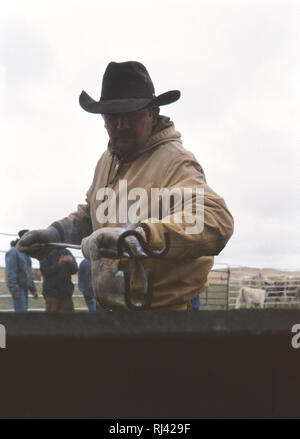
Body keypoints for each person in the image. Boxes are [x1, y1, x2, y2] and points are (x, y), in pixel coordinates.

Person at [17, 61, 234, 310]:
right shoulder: (107, 161)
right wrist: (56, 234)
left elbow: (215, 220)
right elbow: (94, 213)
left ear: (153, 113)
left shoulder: (174, 162)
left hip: (166, 313)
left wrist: (135, 237)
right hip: (112, 308)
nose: (122, 125)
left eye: (131, 114)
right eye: (112, 116)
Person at [5, 230, 38, 312]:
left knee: (24, 314)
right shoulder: (13, 252)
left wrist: (33, 290)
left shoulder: (26, 254)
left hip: (25, 289)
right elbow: (10, 273)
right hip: (19, 289)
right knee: (20, 315)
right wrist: (14, 290)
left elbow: (29, 273)